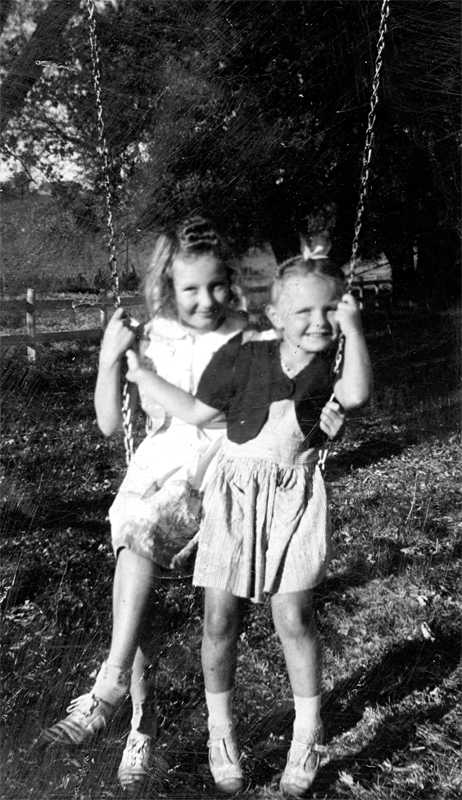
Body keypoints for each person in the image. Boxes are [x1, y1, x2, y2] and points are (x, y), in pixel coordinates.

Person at [125, 247, 373, 797]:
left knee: (295, 616)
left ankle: (307, 733)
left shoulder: (332, 365)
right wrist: (141, 374)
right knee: (219, 619)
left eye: (331, 310)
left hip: (293, 498)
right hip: (234, 496)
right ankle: (222, 733)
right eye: (304, 311)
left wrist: (354, 330)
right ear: (276, 316)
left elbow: (357, 394)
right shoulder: (245, 355)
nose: (319, 322)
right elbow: (199, 412)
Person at [41, 216, 251, 791]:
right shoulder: (153, 334)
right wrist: (110, 359)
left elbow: (218, 418)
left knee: (157, 552)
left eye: (216, 285)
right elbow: (110, 424)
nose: (205, 300)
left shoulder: (245, 334)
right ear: (169, 285)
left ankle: (131, 698)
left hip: (220, 466)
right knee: (134, 538)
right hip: (158, 469)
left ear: (230, 281)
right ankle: (137, 717)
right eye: (191, 288)